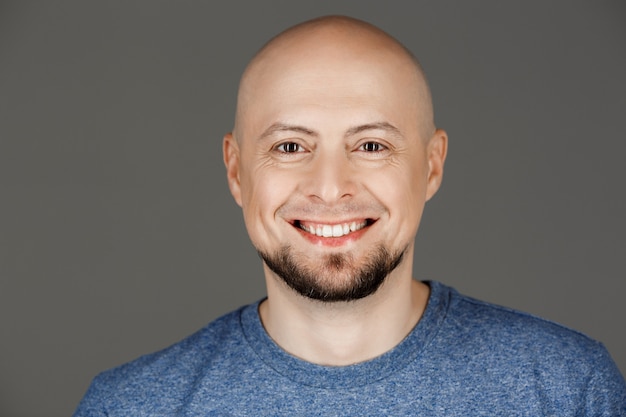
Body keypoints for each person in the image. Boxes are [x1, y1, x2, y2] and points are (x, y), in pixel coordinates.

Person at [74, 15, 626, 416]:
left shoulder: (567, 391)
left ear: (432, 167)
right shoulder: (128, 407)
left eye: (371, 146)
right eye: (290, 147)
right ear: (236, 171)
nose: (331, 187)